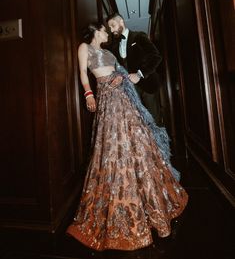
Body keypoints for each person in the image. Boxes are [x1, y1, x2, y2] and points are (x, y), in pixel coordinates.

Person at [66, 22, 188, 251]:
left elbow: (120, 73)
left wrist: (121, 78)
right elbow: (83, 73)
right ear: (94, 32)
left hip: (123, 99)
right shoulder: (85, 47)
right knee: (111, 146)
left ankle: (152, 199)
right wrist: (88, 93)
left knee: (139, 139)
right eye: (103, 30)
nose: (106, 33)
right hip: (106, 100)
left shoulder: (110, 53)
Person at [106, 12, 162, 125]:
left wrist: (139, 74)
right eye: (110, 28)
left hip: (148, 86)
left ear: (121, 21)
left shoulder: (139, 36)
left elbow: (156, 57)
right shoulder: (114, 46)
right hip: (130, 91)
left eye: (113, 26)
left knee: (154, 120)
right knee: (139, 123)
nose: (111, 30)